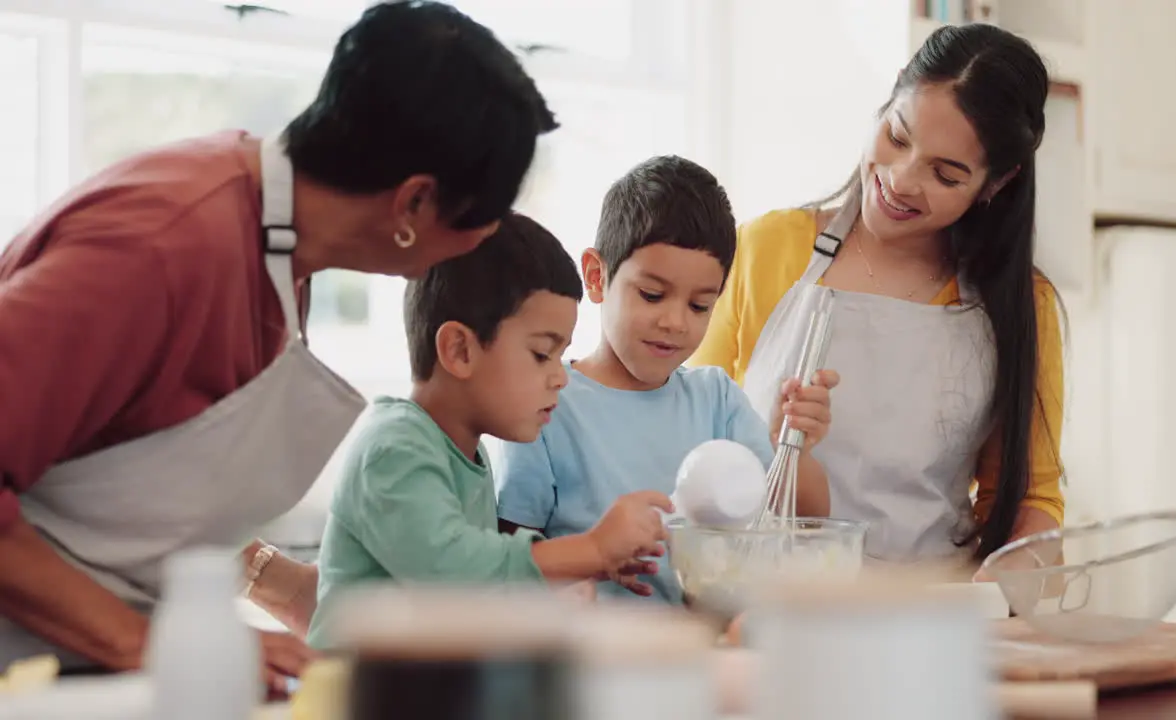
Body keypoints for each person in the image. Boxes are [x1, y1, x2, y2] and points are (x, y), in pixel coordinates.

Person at [0, 0, 556, 686]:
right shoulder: (161, 244)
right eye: (488, 216)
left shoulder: (281, 251)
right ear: (413, 203)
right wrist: (149, 644)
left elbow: (139, 504)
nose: (488, 237)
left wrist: (287, 608)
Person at [688, 23, 1066, 572]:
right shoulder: (765, 248)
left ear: (996, 183)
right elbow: (691, 438)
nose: (902, 180)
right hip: (769, 600)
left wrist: (1002, 590)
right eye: (898, 136)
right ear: (889, 97)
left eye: (946, 174)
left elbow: (1034, 499)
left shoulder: (1023, 306)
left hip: (931, 611)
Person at [306, 213, 673, 649]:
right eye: (542, 354)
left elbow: (475, 600)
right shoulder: (394, 448)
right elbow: (453, 573)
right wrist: (590, 550)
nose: (561, 377)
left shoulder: (464, 455)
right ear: (460, 350)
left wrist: (581, 571)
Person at [492, 156, 837, 605]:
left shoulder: (717, 400)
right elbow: (512, 559)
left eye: (699, 306)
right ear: (597, 277)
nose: (675, 322)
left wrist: (796, 449)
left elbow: (794, 525)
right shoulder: (546, 404)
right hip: (593, 654)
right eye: (652, 295)